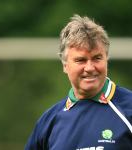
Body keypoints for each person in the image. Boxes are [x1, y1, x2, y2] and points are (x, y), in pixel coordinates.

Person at [25, 14, 132, 150]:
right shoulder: (48, 121)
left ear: (107, 59)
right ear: (65, 65)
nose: (89, 68)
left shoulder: (128, 108)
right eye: (80, 60)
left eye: (97, 58)